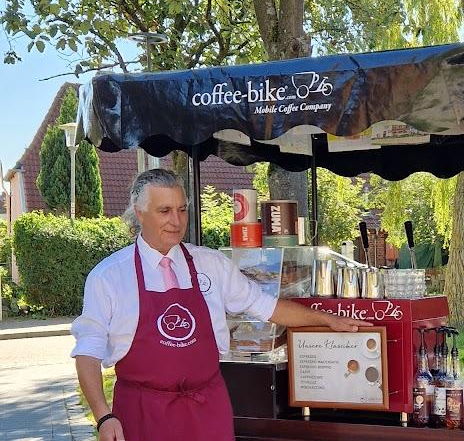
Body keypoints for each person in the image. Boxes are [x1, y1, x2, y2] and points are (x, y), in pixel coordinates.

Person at [72, 169, 369, 441]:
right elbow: (88, 353)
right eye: (164, 211)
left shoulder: (210, 264)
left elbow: (265, 305)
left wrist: (327, 320)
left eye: (182, 210)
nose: (176, 221)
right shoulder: (109, 276)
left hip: (206, 409)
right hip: (143, 412)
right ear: (139, 213)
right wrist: (104, 416)